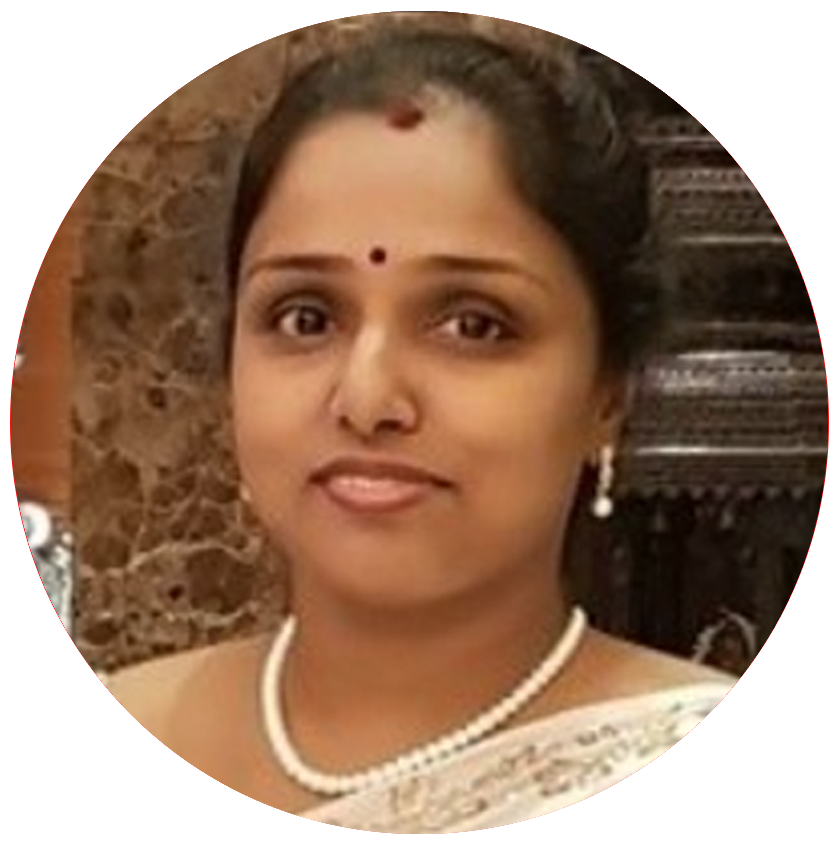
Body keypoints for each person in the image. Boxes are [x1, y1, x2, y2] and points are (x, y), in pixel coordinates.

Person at [11, 24, 827, 834]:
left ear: (607, 393)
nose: (367, 398)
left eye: (473, 324)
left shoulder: (763, 797)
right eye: (304, 317)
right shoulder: (37, 774)